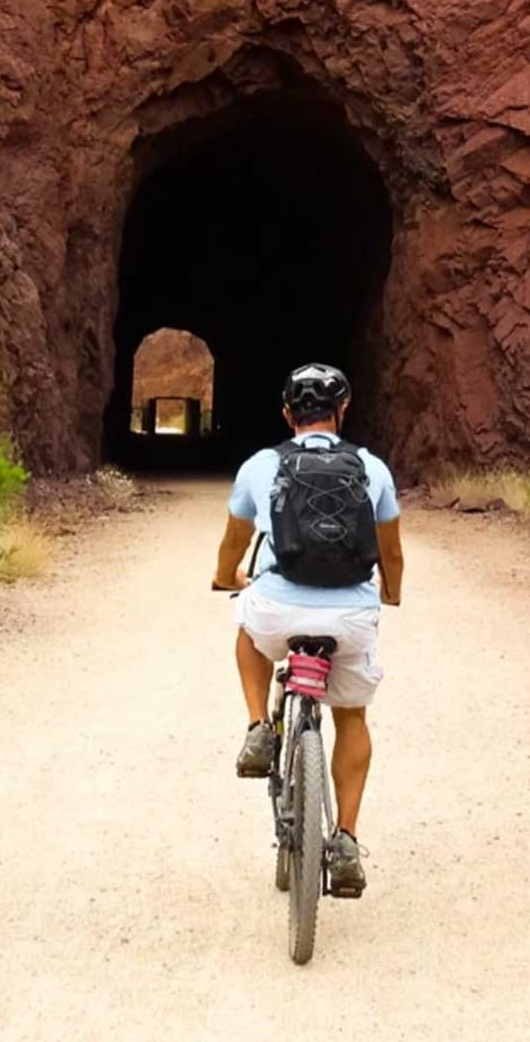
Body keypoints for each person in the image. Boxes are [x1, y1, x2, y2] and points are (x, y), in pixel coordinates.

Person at [212, 362, 404, 895]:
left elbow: (234, 541)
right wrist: (389, 593)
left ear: (286, 414)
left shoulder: (260, 465)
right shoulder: (372, 468)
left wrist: (226, 577)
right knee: (352, 717)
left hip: (278, 610)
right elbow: (390, 553)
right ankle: (345, 840)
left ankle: (258, 726)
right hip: (351, 618)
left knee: (249, 630)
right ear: (343, 411)